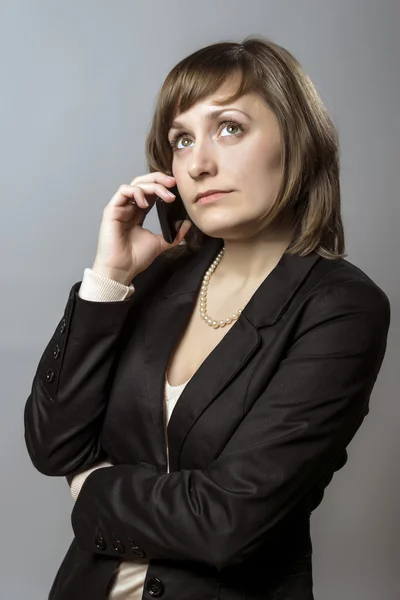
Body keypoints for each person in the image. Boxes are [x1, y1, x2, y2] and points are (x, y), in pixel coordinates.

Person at [24, 36, 391, 600]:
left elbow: (229, 522)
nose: (198, 163)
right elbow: (54, 445)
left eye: (230, 128)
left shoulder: (341, 308)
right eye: (181, 139)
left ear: (297, 137)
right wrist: (108, 279)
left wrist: (93, 488)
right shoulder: (157, 279)